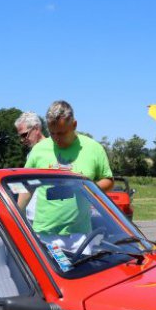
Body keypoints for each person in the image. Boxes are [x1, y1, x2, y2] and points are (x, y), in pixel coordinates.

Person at [23, 100, 113, 235]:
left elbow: (108, 181)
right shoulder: (38, 150)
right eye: (52, 133)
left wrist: (86, 189)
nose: (56, 138)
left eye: (61, 133)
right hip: (44, 233)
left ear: (74, 125)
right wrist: (16, 212)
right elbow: (25, 186)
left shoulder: (93, 148)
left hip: (80, 234)